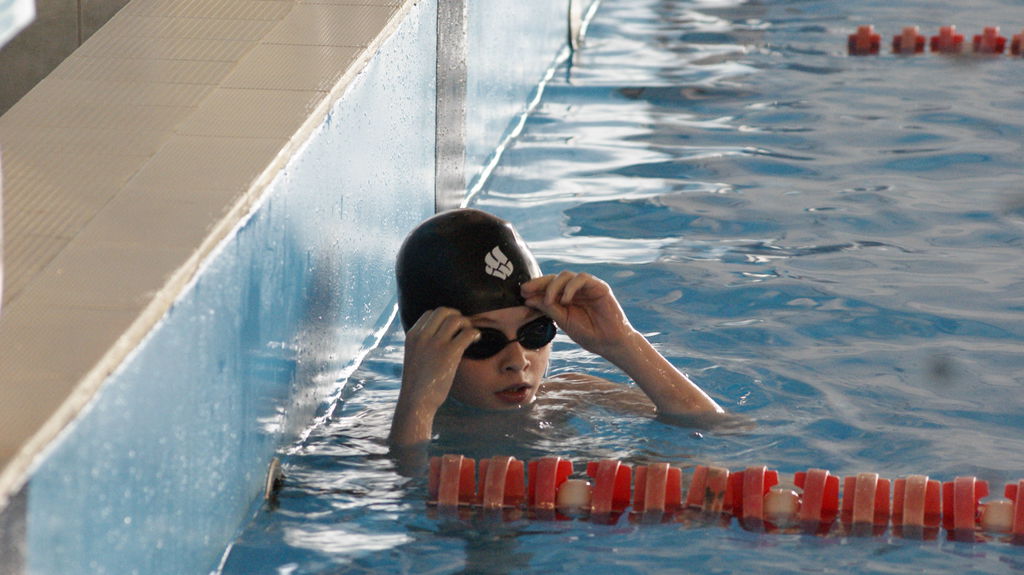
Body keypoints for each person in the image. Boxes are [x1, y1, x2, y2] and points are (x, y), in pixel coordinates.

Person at [388, 208, 725, 450]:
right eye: (484, 341)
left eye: (534, 332)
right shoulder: (390, 428)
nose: (518, 361)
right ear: (426, 345)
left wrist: (623, 342)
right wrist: (418, 405)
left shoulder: (575, 394)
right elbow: (408, 496)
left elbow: (714, 431)